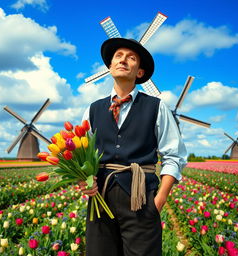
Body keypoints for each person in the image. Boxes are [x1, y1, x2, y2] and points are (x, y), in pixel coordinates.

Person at [79, 38, 187, 256]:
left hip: (141, 200)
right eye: (118, 56)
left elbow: (174, 155)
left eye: (132, 58)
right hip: (100, 202)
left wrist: (158, 202)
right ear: (109, 67)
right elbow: (82, 155)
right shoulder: (93, 110)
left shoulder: (156, 107)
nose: (123, 60)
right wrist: (84, 181)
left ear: (139, 72)